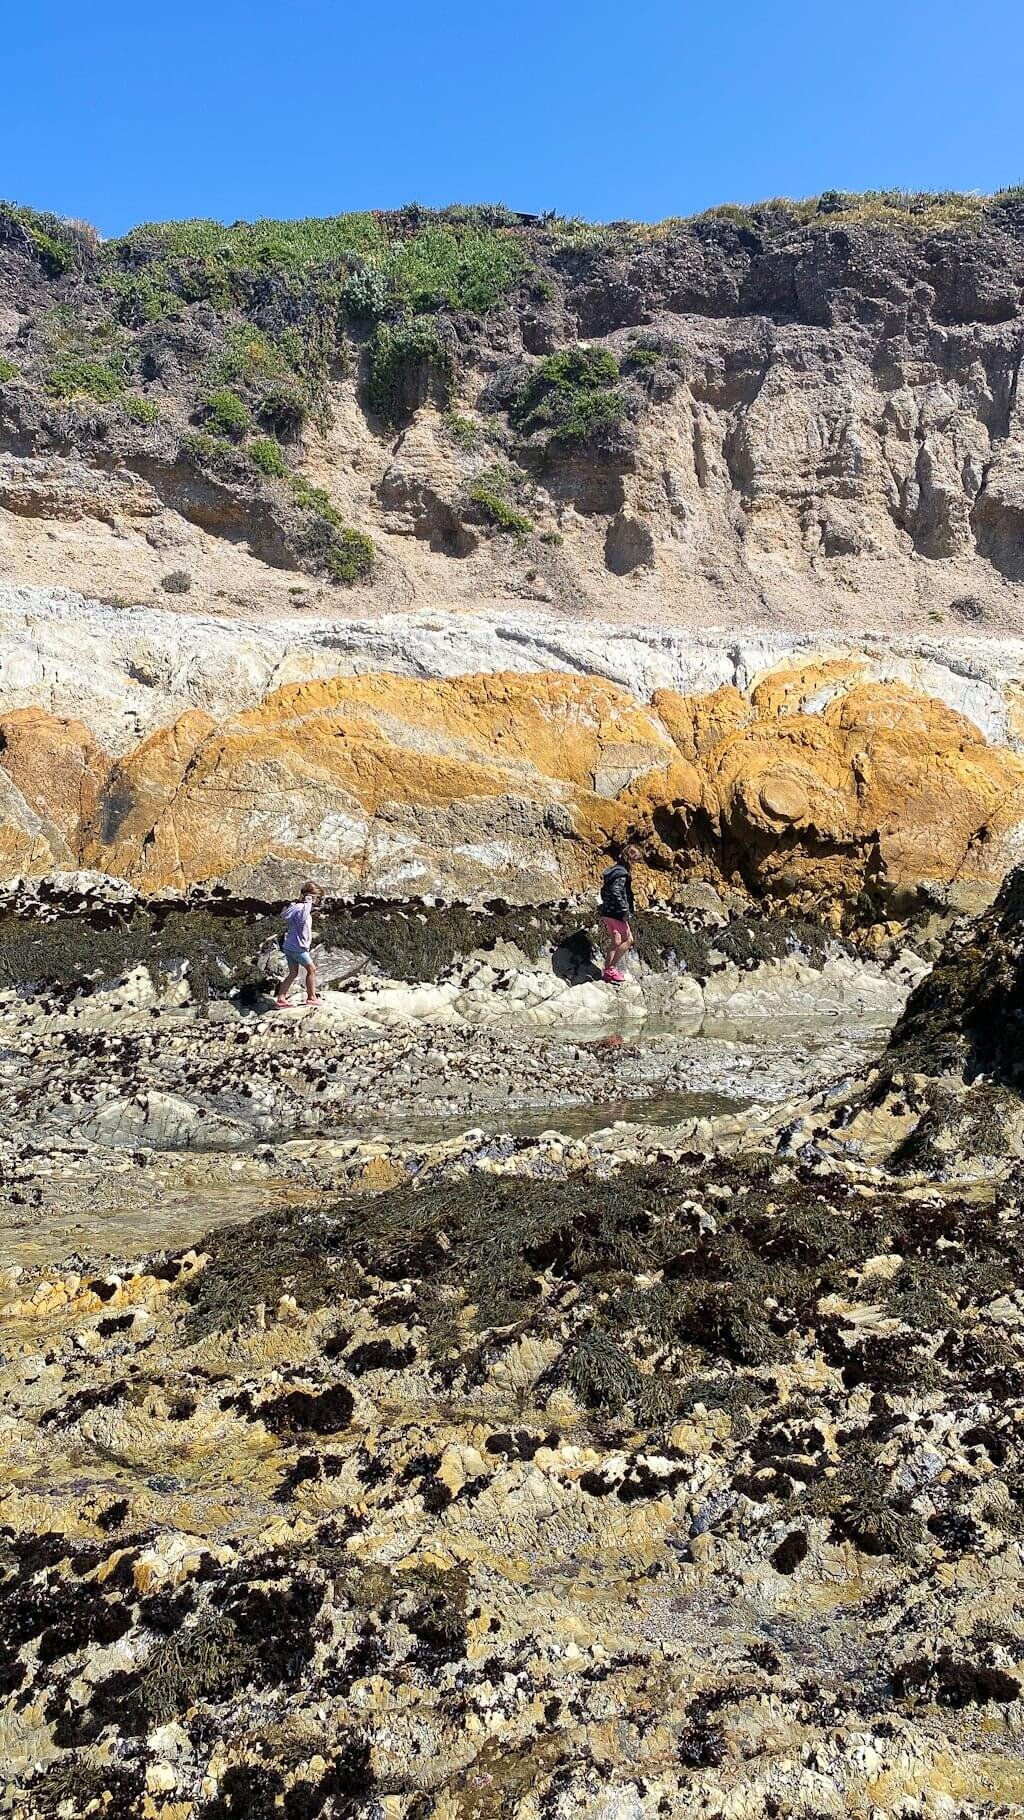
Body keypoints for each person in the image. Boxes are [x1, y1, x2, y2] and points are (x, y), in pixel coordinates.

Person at [277, 882, 321, 1008]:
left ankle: (281, 999)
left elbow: (284, 915)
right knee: (311, 970)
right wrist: (308, 902)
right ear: (310, 896)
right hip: (298, 948)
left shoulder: (296, 906)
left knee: (293, 973)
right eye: (316, 897)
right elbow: (302, 919)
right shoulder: (303, 908)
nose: (317, 901)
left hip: (289, 946)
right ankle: (312, 997)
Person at [599, 844, 639, 983]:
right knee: (622, 940)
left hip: (608, 911)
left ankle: (608, 970)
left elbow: (606, 890)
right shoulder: (621, 873)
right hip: (615, 913)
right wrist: (624, 909)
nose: (636, 864)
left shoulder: (614, 871)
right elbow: (616, 891)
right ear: (630, 859)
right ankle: (610, 970)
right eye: (635, 861)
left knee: (623, 940)